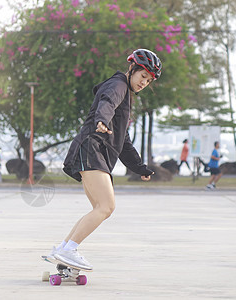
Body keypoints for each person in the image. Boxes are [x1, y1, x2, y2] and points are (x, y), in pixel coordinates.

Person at [45, 49, 162, 271]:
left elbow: (123, 140)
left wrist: (139, 167)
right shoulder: (118, 85)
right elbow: (107, 103)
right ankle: (68, 250)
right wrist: (102, 120)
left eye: (148, 80)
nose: (144, 82)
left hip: (91, 149)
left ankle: (62, 248)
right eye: (142, 76)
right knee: (106, 206)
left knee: (99, 207)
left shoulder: (126, 95)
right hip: (92, 148)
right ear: (132, 69)